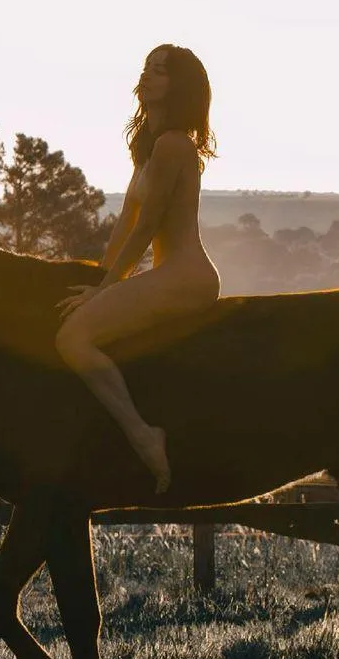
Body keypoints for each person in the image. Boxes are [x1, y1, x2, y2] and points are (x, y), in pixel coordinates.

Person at [55, 44, 220, 492]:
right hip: (168, 275)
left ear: (179, 86)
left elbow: (147, 227)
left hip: (186, 277)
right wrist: (100, 274)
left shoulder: (173, 145)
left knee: (72, 338)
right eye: (146, 68)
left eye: (160, 72)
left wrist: (105, 290)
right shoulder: (148, 143)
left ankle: (144, 435)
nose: (147, 77)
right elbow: (127, 217)